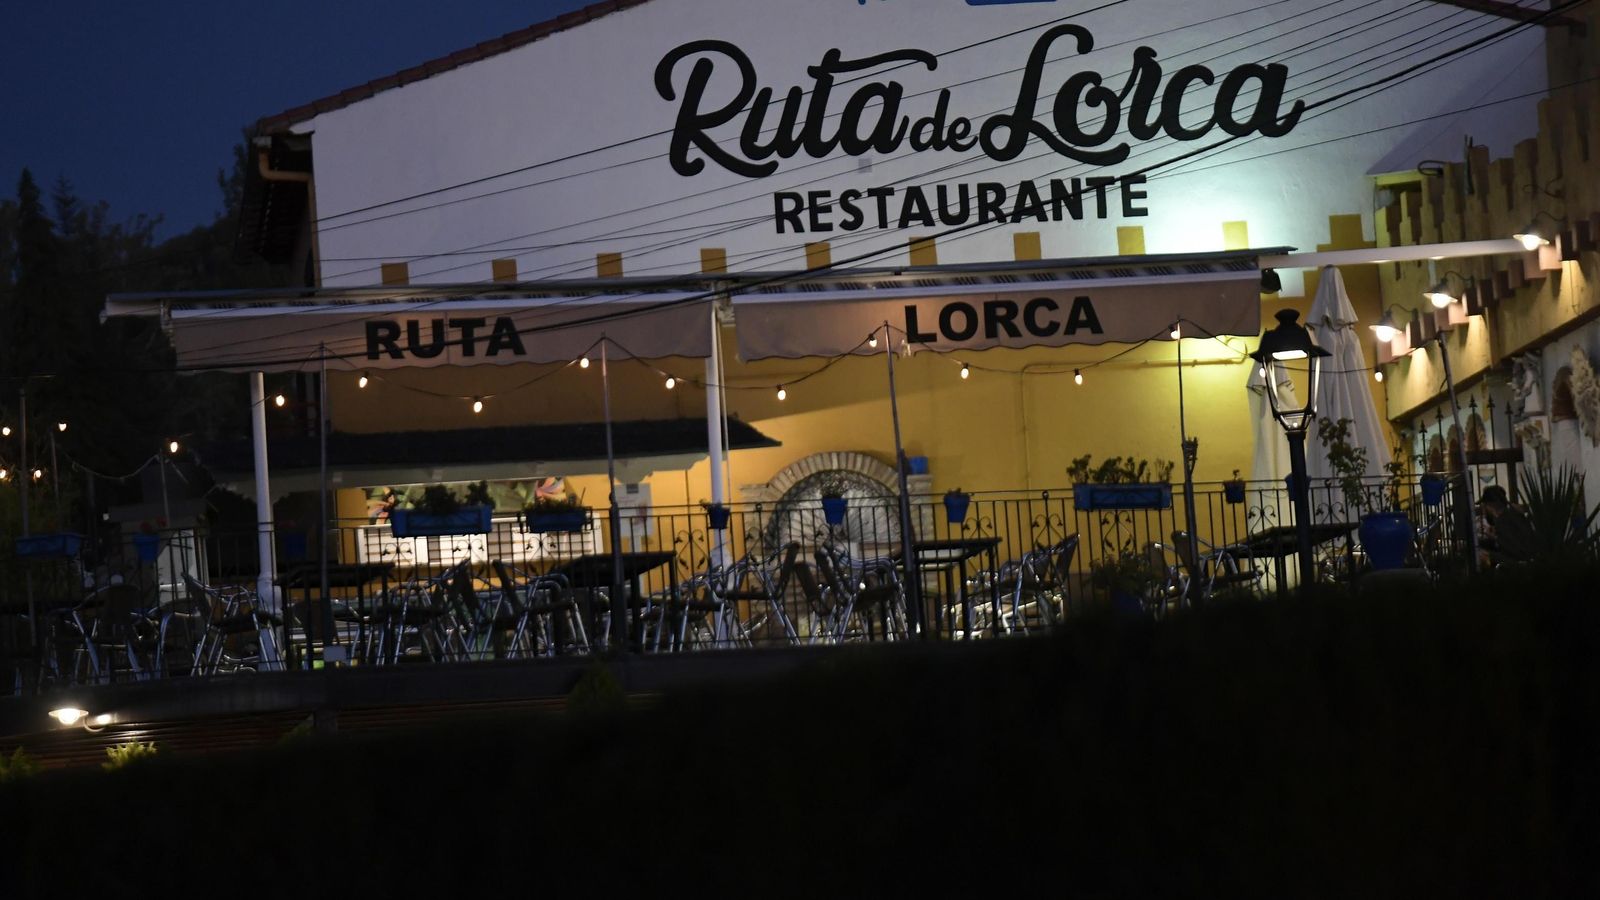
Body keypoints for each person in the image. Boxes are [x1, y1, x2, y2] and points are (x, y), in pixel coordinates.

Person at [1478, 484, 1538, 565]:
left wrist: (1489, 555)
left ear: (1489, 506)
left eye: (1484, 506)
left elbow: (1515, 554)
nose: (1484, 510)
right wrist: (1495, 538)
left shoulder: (1503, 521)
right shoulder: (1512, 515)